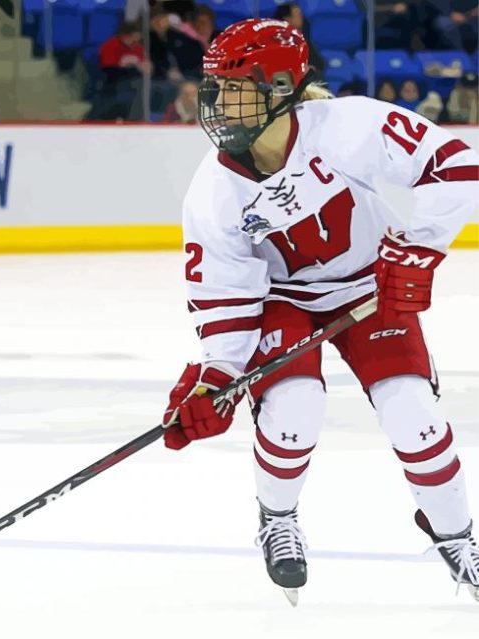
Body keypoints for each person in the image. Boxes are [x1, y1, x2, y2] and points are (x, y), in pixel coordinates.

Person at [161, 18, 479, 604]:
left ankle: (455, 534)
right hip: (285, 302)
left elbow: (456, 164)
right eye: (218, 89)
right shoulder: (213, 192)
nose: (220, 104)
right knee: (293, 407)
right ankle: (277, 519)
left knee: (413, 413)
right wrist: (218, 378)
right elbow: (228, 296)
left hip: (367, 290)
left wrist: (420, 247)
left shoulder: (347, 126)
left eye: (237, 88)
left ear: (281, 86)